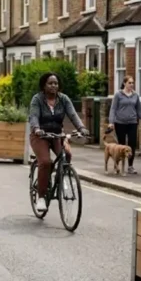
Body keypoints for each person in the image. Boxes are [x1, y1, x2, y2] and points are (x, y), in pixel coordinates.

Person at [29, 72, 89, 212]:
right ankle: (41, 197)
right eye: (50, 83)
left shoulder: (63, 99)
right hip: (40, 136)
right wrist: (37, 129)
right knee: (45, 162)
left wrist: (81, 128)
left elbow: (73, 114)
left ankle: (59, 177)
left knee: (67, 154)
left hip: (56, 134)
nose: (53, 86)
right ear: (44, 85)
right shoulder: (37, 99)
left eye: (55, 83)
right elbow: (34, 116)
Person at [108, 76, 141, 174]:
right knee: (121, 146)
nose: (131, 85)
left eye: (132, 83)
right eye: (129, 83)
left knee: (132, 144)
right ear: (124, 83)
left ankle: (130, 166)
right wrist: (111, 122)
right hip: (120, 123)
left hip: (132, 122)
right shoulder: (118, 95)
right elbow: (113, 109)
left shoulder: (135, 95)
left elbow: (139, 109)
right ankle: (118, 165)